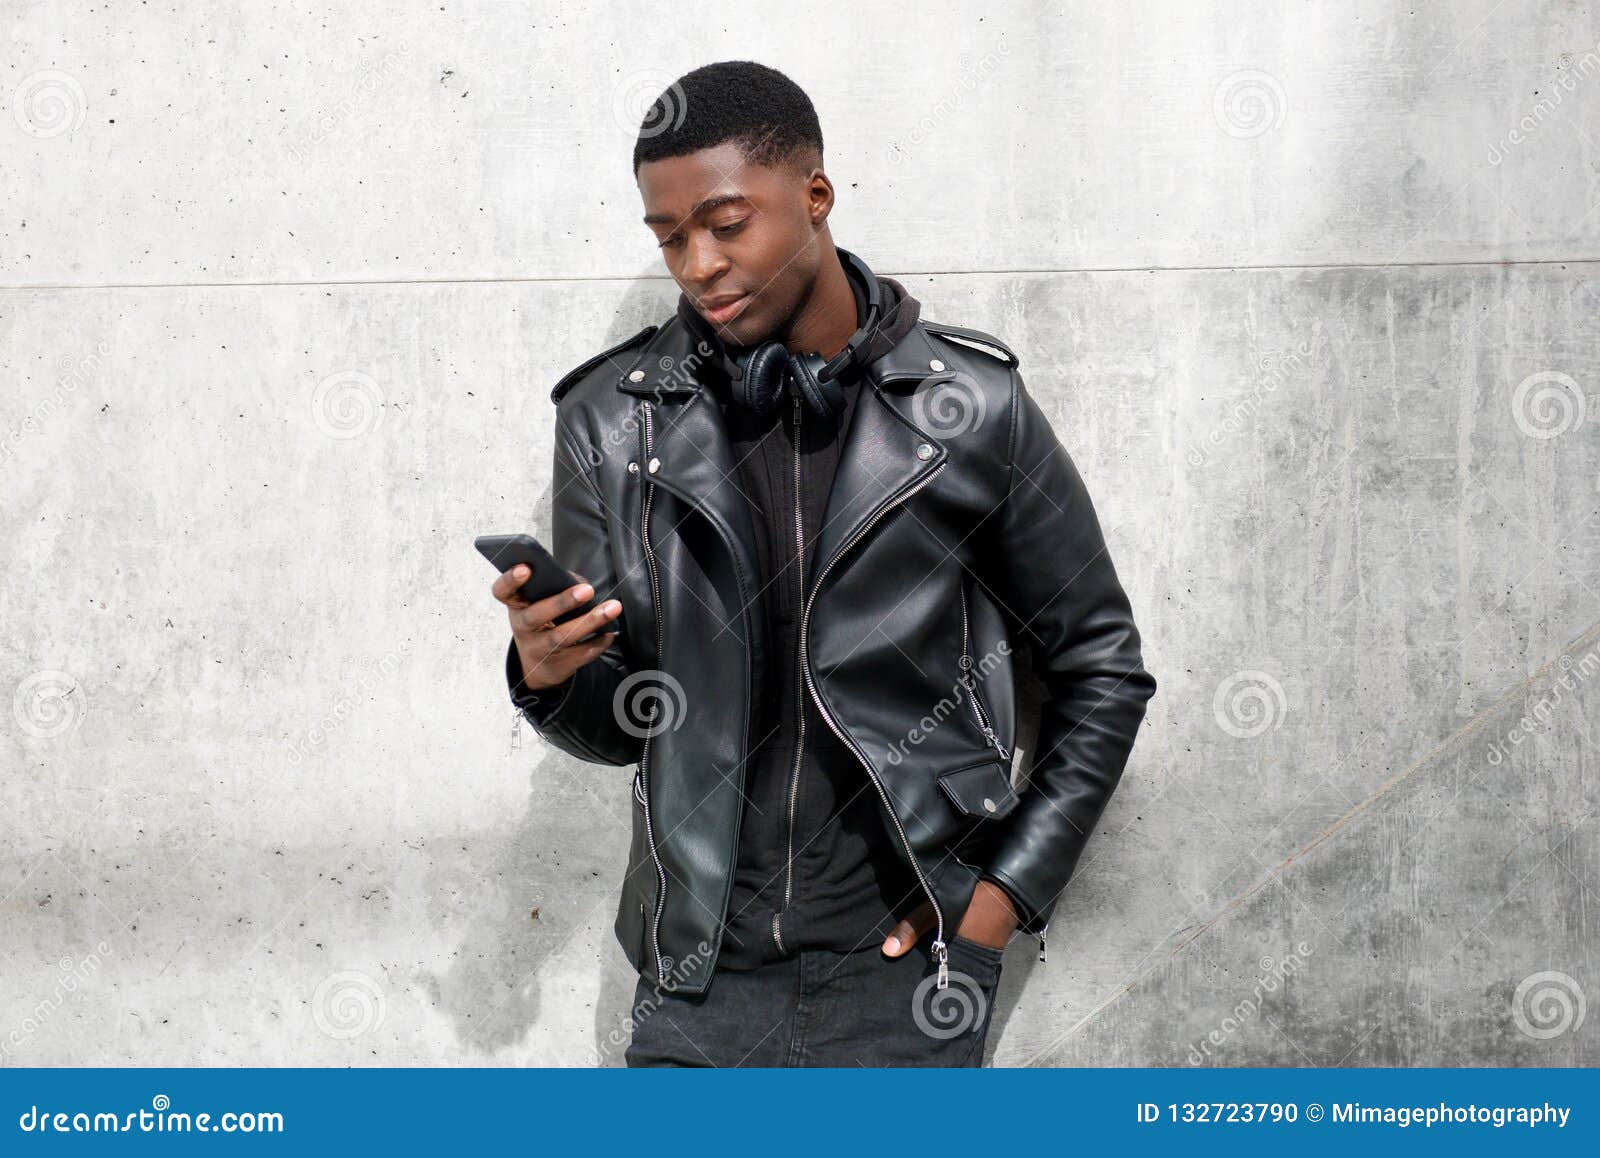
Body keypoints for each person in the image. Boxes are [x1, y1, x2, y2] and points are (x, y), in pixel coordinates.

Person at [494, 60, 1157, 1066]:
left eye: (725, 223)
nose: (698, 262)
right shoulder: (609, 423)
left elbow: (1100, 668)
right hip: (695, 985)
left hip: (905, 982)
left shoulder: (968, 411)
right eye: (669, 237)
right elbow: (622, 727)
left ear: (813, 197)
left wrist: (994, 908)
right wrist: (551, 675)